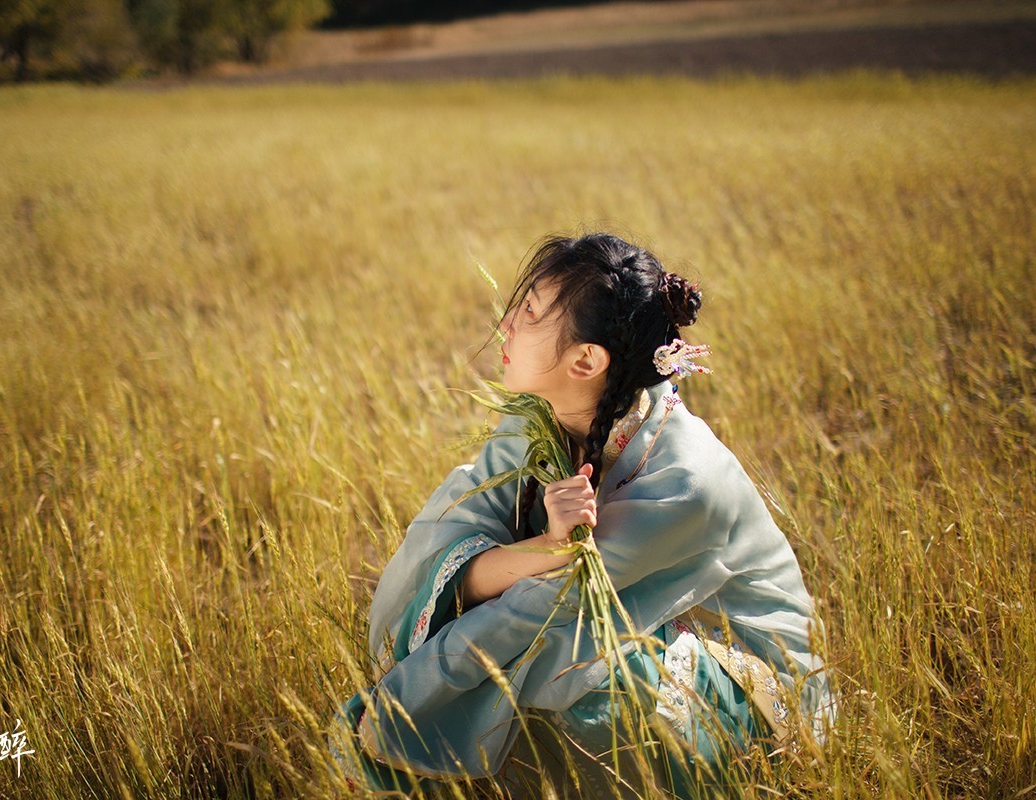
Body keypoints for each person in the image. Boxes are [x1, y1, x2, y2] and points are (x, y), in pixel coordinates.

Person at [335, 232, 835, 797]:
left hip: (759, 699)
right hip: (586, 617)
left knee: (581, 672)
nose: (507, 326)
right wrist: (543, 551)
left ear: (586, 360)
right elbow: (452, 528)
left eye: (528, 311)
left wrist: (401, 706)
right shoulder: (538, 418)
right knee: (544, 662)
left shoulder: (686, 484)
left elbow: (544, 615)